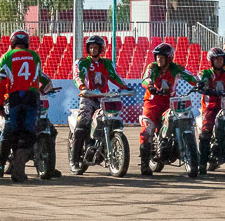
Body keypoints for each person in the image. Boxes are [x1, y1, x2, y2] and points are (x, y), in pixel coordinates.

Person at [137, 43, 199, 175]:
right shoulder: (152, 67)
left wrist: (199, 83)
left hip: (170, 103)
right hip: (152, 103)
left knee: (185, 121)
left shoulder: (176, 68)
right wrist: (150, 86)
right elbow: (146, 78)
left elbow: (191, 77)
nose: (159, 59)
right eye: (157, 56)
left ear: (169, 58)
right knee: (147, 130)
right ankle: (144, 165)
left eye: (162, 57)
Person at [0, 30, 44, 182]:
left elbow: (0, 83)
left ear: (12, 42)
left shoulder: (7, 56)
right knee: (28, 131)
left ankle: (0, 166)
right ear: (27, 43)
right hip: (31, 97)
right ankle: (19, 168)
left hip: (15, 97)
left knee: (9, 129)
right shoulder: (35, 56)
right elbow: (39, 76)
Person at [70, 35, 128, 167]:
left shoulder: (107, 63)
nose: (93, 50)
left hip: (104, 98)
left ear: (100, 49)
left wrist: (124, 86)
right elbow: (77, 77)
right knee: (83, 123)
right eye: (91, 47)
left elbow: (115, 77)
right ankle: (74, 160)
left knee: (113, 120)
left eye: (96, 47)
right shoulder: (81, 62)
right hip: (87, 97)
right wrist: (83, 87)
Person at [196, 47, 225, 174]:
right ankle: (202, 162)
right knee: (206, 132)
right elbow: (201, 81)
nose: (219, 61)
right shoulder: (205, 73)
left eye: (221, 59)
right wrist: (203, 87)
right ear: (211, 61)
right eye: (216, 59)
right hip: (210, 107)